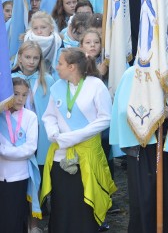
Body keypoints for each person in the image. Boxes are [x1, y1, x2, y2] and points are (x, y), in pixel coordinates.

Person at [110, 58, 168, 232]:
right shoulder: (133, 74)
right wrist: (150, 113)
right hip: (143, 144)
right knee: (144, 197)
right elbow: (124, 110)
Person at [40, 48, 116, 232]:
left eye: (60, 63)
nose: (56, 67)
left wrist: (73, 137)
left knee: (83, 204)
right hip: (60, 155)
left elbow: (105, 118)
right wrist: (52, 132)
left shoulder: (96, 86)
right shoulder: (58, 87)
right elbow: (49, 115)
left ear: (72, 67)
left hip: (86, 157)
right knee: (61, 202)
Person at [0, 77, 41, 231]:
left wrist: (4, 151)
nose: (20, 99)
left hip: (19, 176)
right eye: (16, 94)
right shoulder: (0, 115)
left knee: (16, 217)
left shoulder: (31, 117)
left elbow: (29, 149)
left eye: (24, 95)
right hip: (1, 174)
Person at [11, 42, 55, 168]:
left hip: (41, 129)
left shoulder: (47, 80)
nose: (31, 61)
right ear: (20, 57)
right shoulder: (11, 78)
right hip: (17, 127)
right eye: (27, 57)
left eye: (36, 58)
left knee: (42, 164)